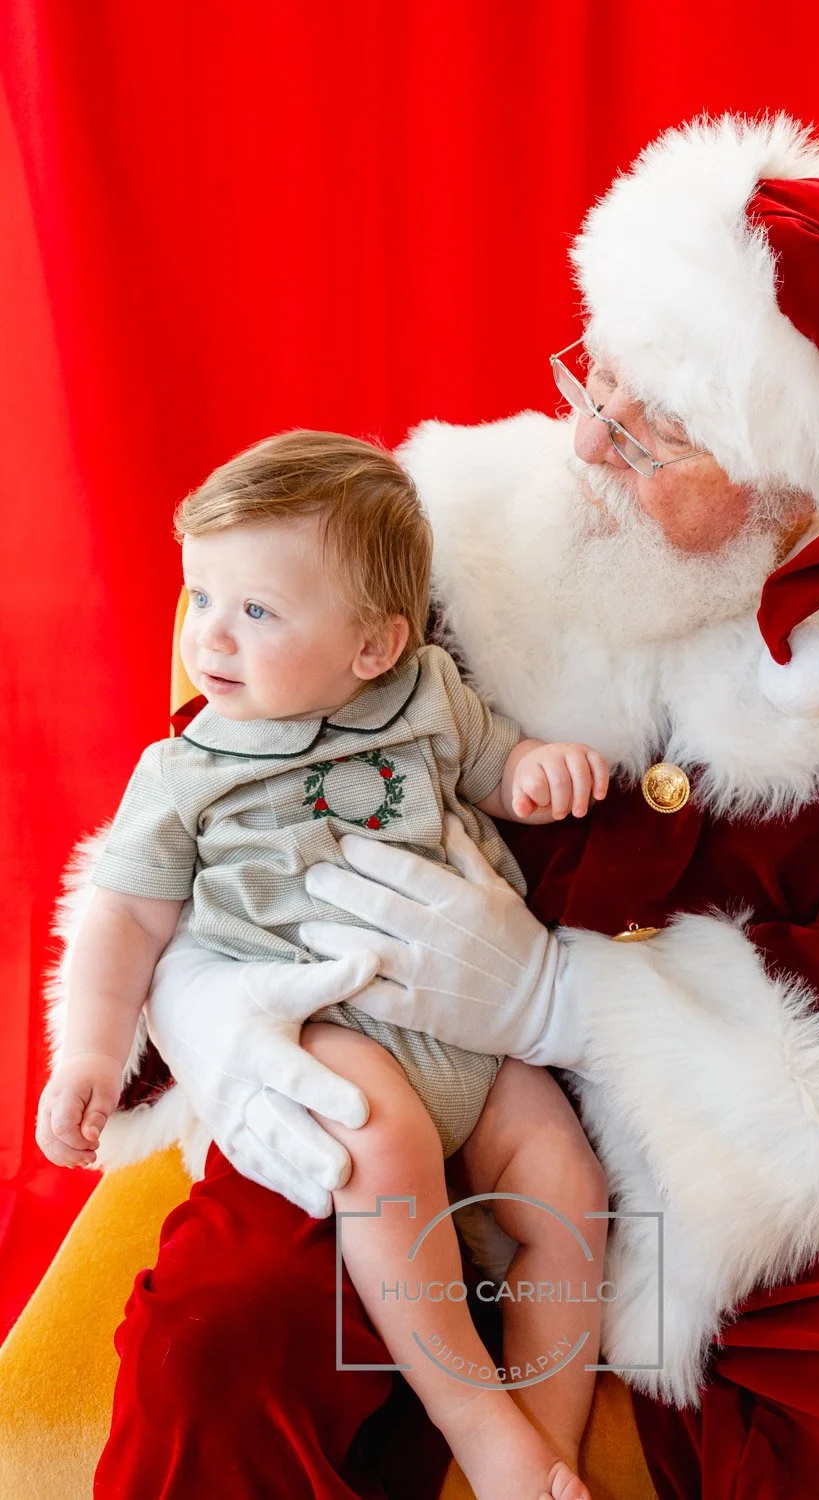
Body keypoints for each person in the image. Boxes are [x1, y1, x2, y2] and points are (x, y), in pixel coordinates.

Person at [47, 113, 819, 1497]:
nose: (586, 439)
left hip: (730, 1163)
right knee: (217, 1353)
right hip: (391, 1085)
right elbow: (211, 788)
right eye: (593, 380)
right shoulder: (443, 521)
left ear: (803, 500)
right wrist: (210, 1012)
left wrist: (566, 1004)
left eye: (651, 430)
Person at [36, 430, 612, 1500]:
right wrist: (88, 1058)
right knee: (381, 1148)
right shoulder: (187, 770)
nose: (209, 637)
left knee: (568, 1188)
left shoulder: (424, 693)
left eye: (256, 611)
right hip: (325, 1027)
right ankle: (479, 1422)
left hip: (468, 1020)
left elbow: (496, 766)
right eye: (201, 594)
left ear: (372, 645)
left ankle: (545, 1443)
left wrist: (540, 773)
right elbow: (119, 920)